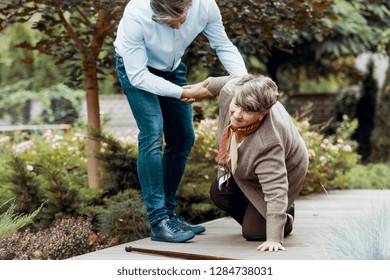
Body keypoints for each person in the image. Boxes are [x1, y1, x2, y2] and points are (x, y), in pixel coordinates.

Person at [113, 0, 247, 243]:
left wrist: (245, 82)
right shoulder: (136, 13)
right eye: (167, 22)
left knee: (184, 137)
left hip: (172, 69)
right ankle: (158, 221)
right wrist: (185, 93)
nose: (176, 27)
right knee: (152, 132)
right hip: (135, 70)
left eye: (180, 20)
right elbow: (138, 76)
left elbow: (222, 45)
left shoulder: (205, 6)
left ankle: (170, 215)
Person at [187, 74, 309, 251]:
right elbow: (232, 80)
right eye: (236, 105)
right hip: (251, 169)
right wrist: (198, 89)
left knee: (253, 233)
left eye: (247, 111)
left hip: (286, 171)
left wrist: (274, 238)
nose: (236, 115)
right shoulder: (233, 91)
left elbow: (276, 189)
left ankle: (285, 215)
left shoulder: (268, 145)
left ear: (261, 114)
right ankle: (259, 211)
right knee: (219, 191)